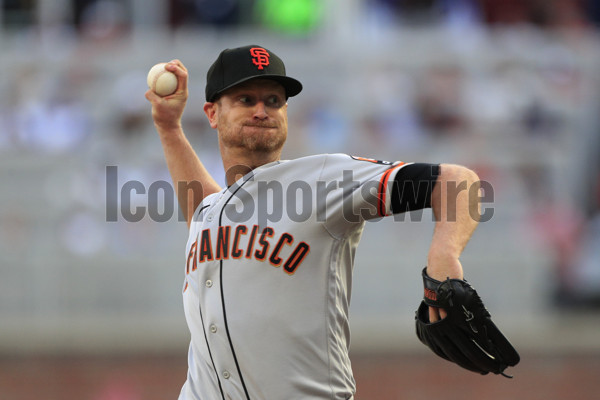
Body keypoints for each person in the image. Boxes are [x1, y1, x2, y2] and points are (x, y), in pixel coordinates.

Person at [145, 44, 481, 400]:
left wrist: (445, 257)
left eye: (273, 101)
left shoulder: (322, 180)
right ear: (212, 114)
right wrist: (169, 128)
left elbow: (457, 182)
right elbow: (204, 208)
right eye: (246, 99)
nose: (262, 111)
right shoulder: (211, 214)